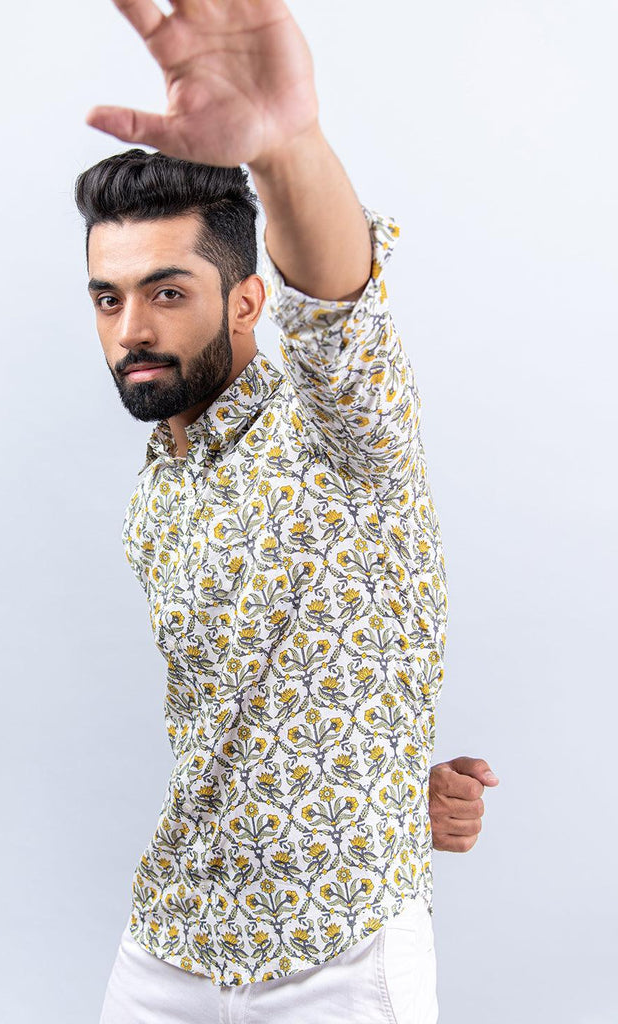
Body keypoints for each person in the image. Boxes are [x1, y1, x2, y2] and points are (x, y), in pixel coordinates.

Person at [77, 2, 499, 1020]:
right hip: (174, 934)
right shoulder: (159, 486)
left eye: (167, 292)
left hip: (338, 956)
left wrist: (285, 146)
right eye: (107, 297)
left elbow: (339, 306)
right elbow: (257, 709)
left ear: (247, 301)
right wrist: (389, 779)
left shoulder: (339, 426)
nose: (130, 330)